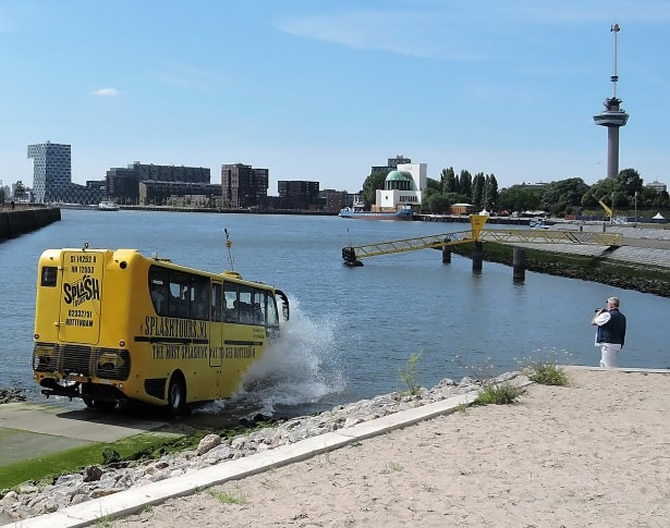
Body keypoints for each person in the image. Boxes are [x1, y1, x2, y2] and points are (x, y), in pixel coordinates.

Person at [591, 296, 627, 368]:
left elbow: (593, 322)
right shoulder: (622, 316)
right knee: (603, 363)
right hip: (617, 343)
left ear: (611, 304)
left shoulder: (608, 315)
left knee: (609, 365)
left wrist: (598, 314)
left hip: (608, 343)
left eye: (608, 303)